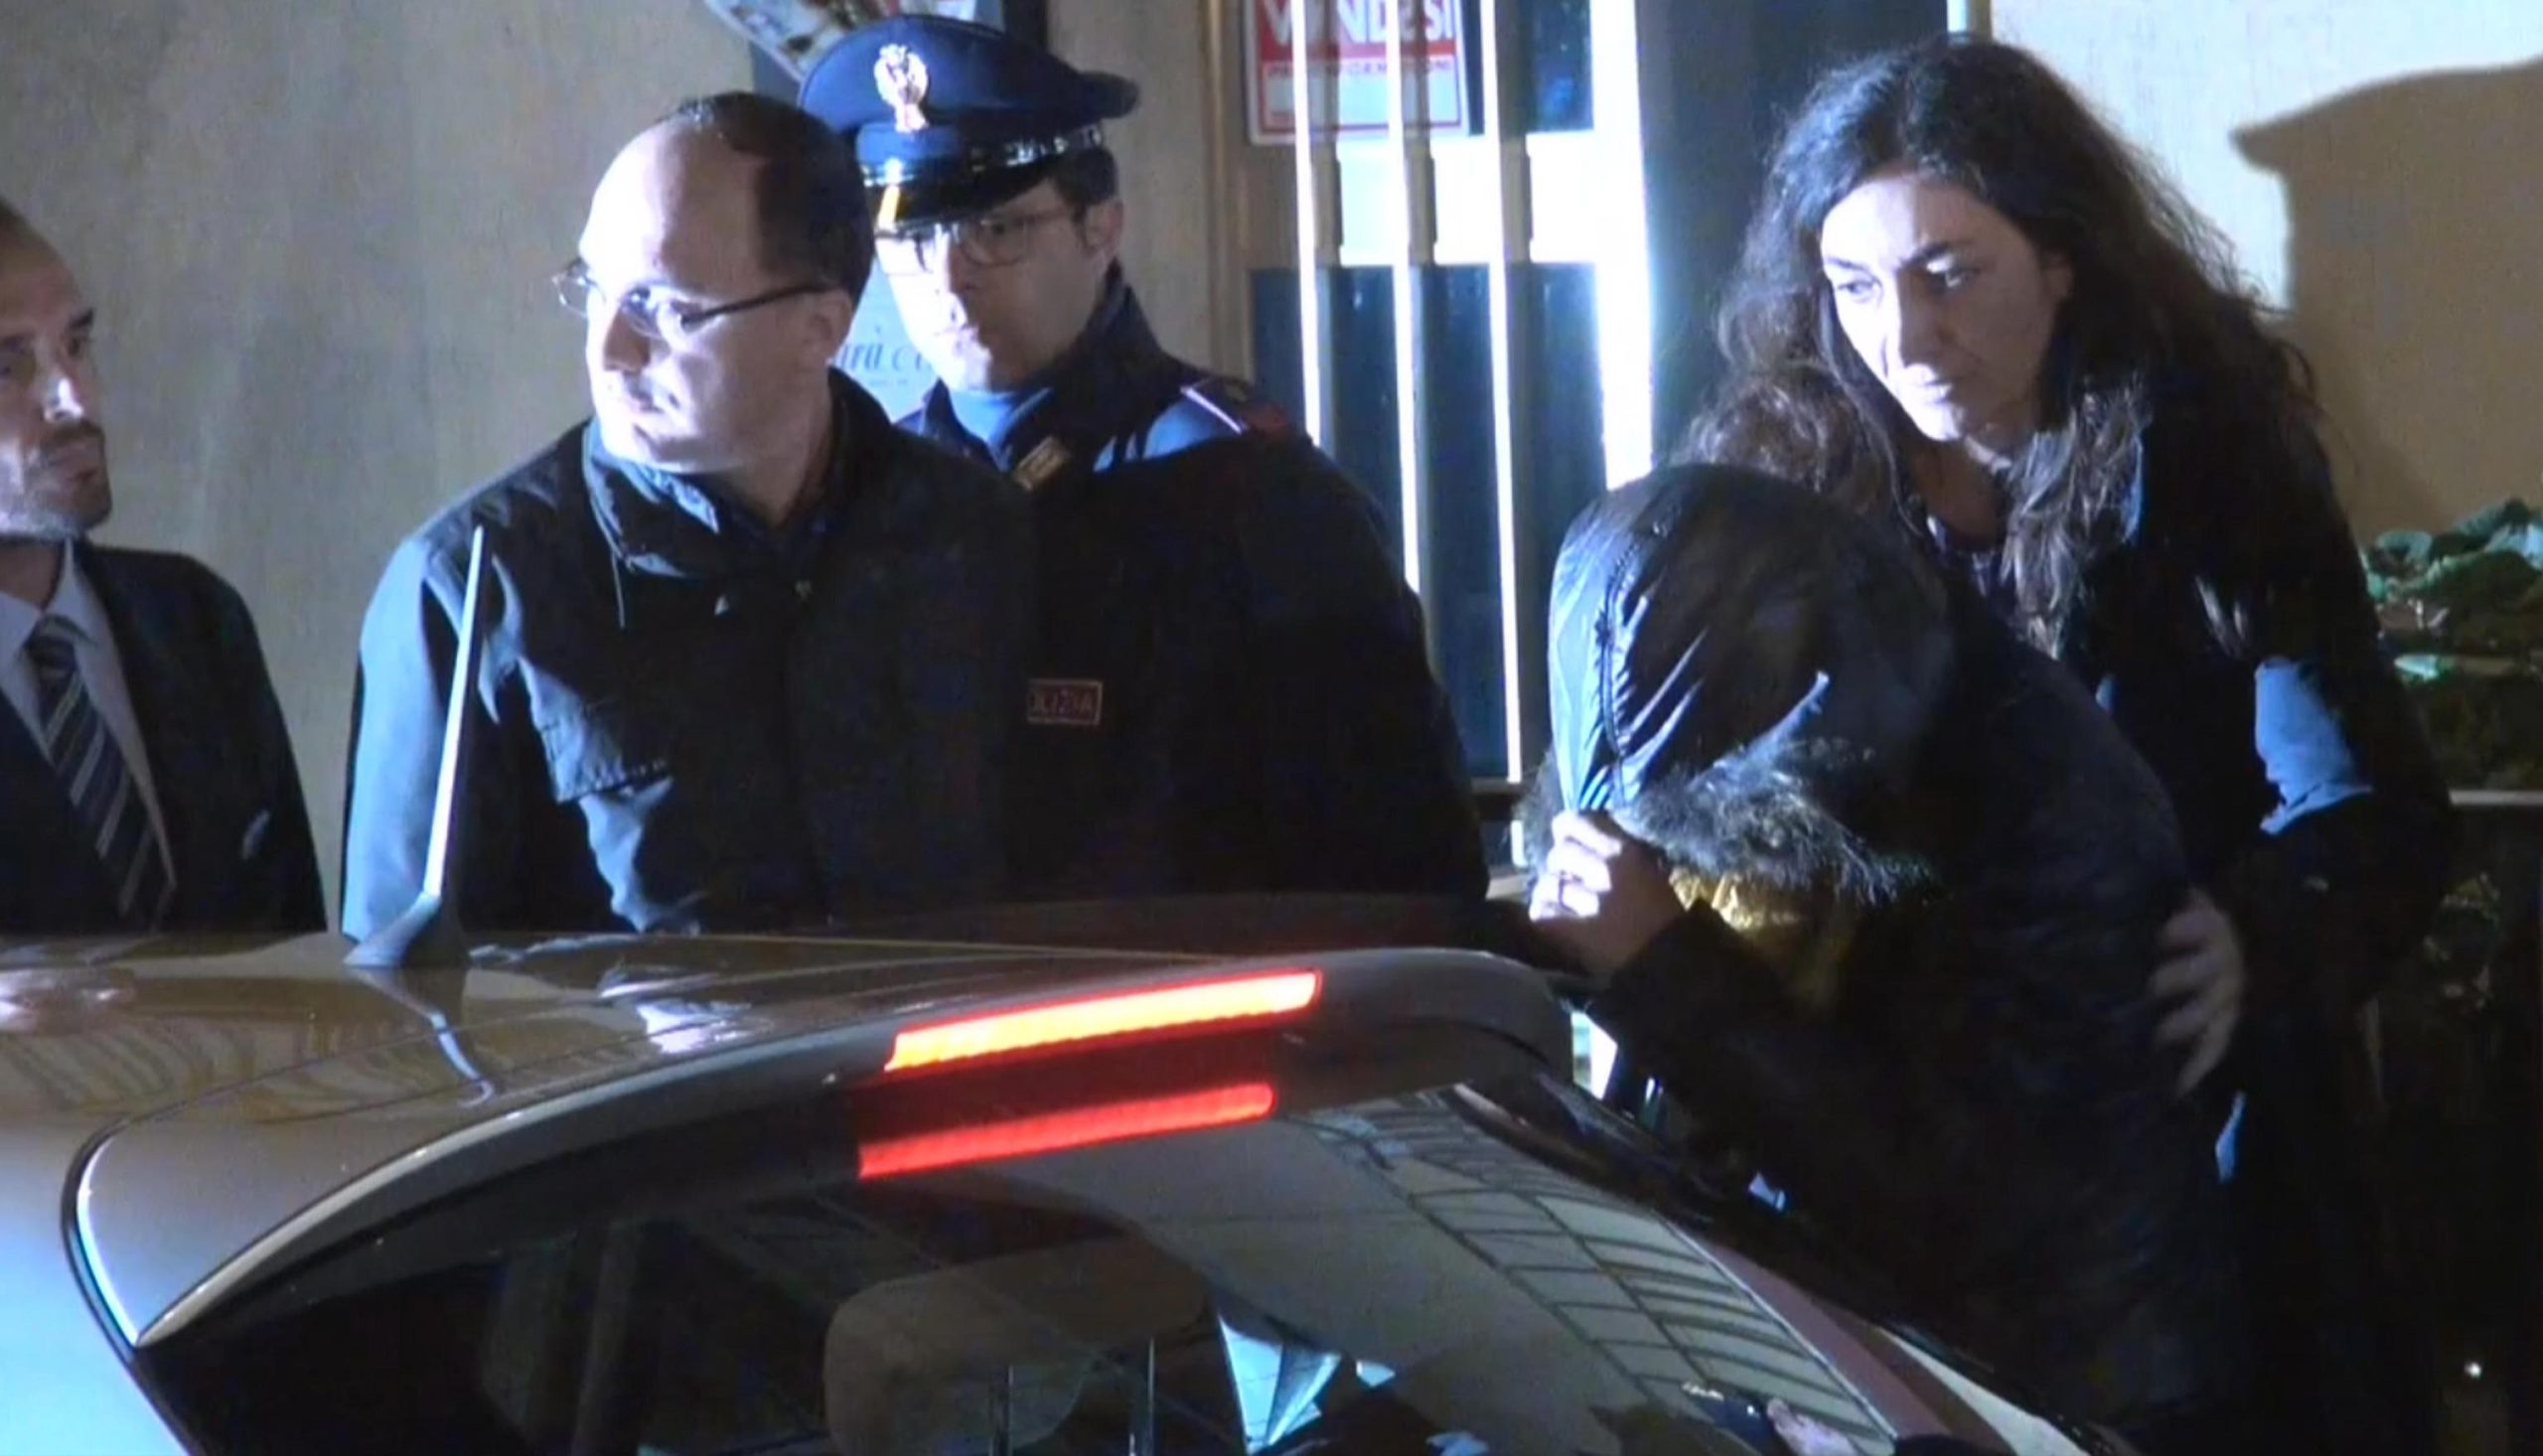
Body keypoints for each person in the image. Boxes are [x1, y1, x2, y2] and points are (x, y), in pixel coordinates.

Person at [1682, 35, 2451, 1451]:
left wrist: (2257, 930)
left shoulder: (2208, 464)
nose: (1906, 338)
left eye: (1949, 273)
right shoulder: (1791, 486)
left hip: (2169, 1140)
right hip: (1895, 1149)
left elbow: (2372, 805)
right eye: (1855, 286)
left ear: (2061, 260)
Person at [1526, 466, 2252, 1452]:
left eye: (1696, 821)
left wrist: (1662, 964)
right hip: (1898, 1374)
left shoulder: (2040, 804)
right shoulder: (1857, 743)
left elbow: (1951, 1201)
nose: (1701, 862)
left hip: (2064, 1398)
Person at [800, 17, 1484, 900]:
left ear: (1101, 227)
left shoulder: (1243, 489)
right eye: (911, 239)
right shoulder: (871, 493)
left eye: (996, 228)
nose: (949, 275)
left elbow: (1402, 857)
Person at [341, 93, 1033, 939]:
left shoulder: (972, 535)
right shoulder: (472, 590)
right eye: (595, 289)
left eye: (663, 309)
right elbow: (408, 988)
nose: (609, 351)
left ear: (820, 328)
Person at [0, 199, 322, 937]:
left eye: (76, 344)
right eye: (7, 366)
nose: (73, 397)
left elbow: (296, 949)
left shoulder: (197, 620)